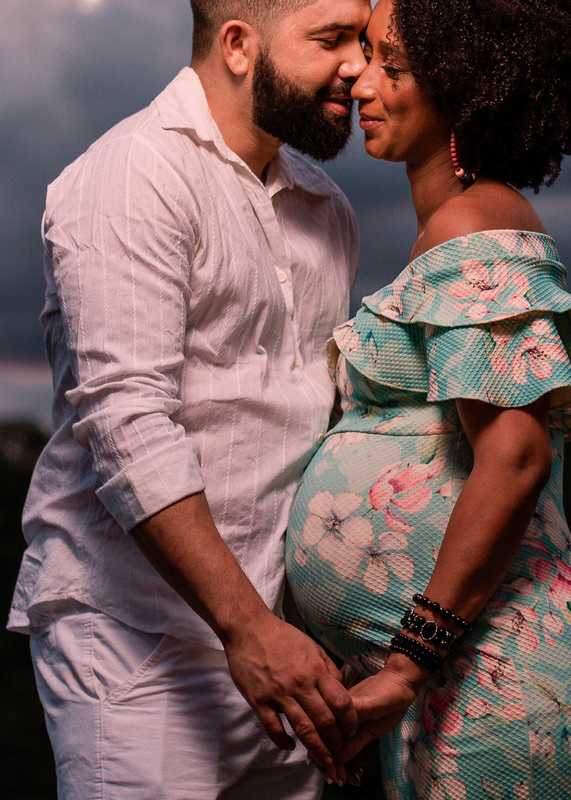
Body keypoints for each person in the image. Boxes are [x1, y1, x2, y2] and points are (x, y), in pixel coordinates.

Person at [7, 0, 372, 796]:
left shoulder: (328, 209)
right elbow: (127, 422)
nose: (358, 65)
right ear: (239, 45)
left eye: (364, 39)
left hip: (287, 655)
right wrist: (248, 629)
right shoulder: (133, 173)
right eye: (332, 39)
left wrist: (322, 635)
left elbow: (320, 432)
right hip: (137, 643)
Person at [283, 0, 571, 796]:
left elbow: (514, 457)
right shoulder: (451, 227)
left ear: (467, 88)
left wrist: (408, 663)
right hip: (464, 675)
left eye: (393, 67)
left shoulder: (473, 229)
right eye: (367, 56)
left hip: (511, 677)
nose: (361, 83)